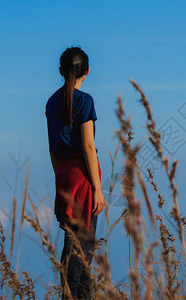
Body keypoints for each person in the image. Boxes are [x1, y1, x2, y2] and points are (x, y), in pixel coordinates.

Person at [45, 46, 106, 300]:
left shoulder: (50, 102)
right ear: (87, 71)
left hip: (63, 174)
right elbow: (88, 146)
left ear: (61, 71)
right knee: (82, 251)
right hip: (83, 177)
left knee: (74, 245)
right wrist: (98, 189)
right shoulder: (85, 101)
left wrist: (60, 178)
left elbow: (52, 148)